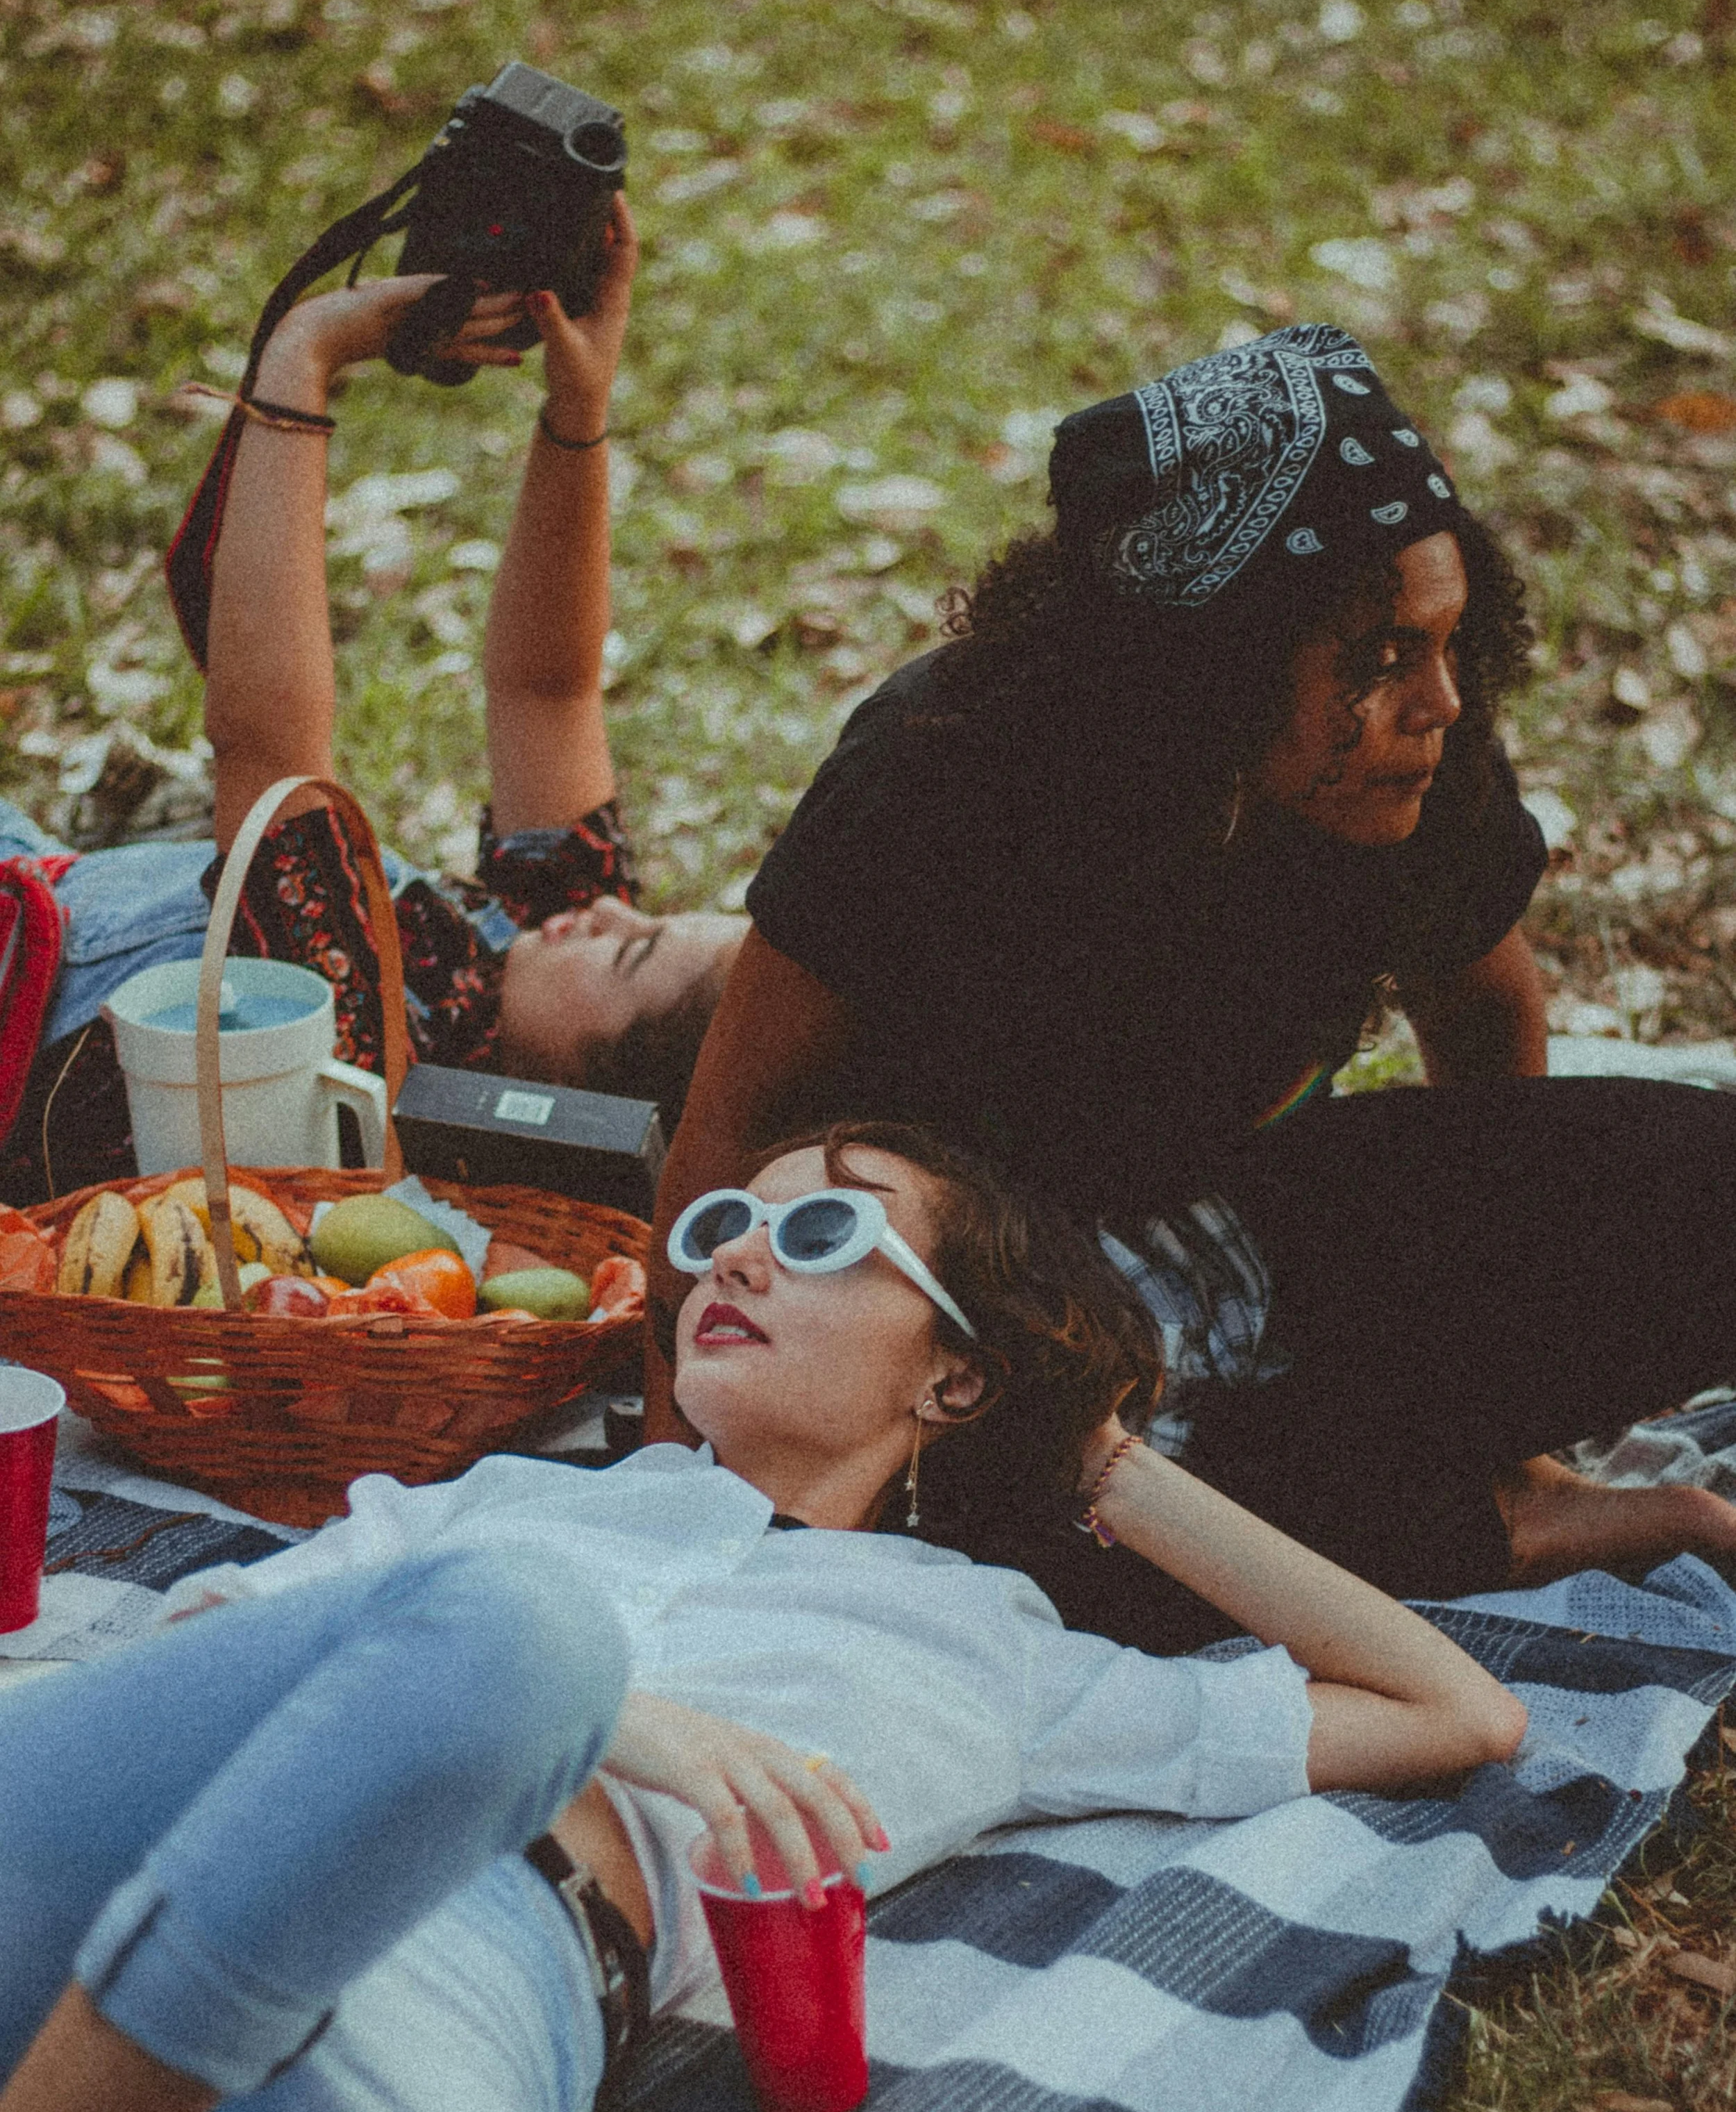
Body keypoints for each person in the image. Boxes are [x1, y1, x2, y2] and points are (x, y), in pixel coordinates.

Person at [0, 1118, 1525, 2112]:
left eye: (819, 1233)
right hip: (156, 1849)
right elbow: (205, 1656)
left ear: (955, 1369)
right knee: (515, 1640)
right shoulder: (510, 1502)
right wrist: (611, 1720)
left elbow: (1450, 1708)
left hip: (465, 1998)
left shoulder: (998, 1654)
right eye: (725, 1221)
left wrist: (1098, 1456)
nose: (732, 1248)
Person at [651, 322, 1736, 1626]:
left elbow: (1487, 1009)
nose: (1440, 700)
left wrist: (1502, 1321)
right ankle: (1497, 1525)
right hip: (975, 1317)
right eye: (1383, 656)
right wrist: (672, 1504)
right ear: (1208, 674)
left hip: (1243, 1233)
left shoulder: (1413, 755)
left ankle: (1476, 1493)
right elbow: (726, 1129)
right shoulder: (934, 776)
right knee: (1011, 1555)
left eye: (1450, 642)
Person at [0, 196, 744, 1207]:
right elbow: (546, 689)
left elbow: (266, 747)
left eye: (631, 950)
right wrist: (581, 408)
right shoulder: (527, 967)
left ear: (589, 1109)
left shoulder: (364, 1044)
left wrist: (301, 366)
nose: (606, 907)